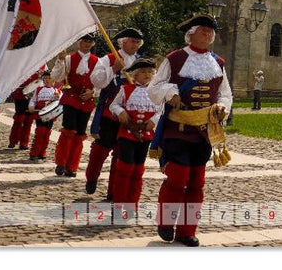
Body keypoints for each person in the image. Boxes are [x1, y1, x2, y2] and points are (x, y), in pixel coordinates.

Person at [148, 14, 231, 247]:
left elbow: (225, 92)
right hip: (178, 130)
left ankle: (187, 230)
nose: (208, 34)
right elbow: (154, 88)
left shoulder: (219, 62)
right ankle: (166, 222)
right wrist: (169, 93)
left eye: (211, 31)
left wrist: (223, 106)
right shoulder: (175, 59)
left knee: (197, 182)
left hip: (204, 132)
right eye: (204, 30)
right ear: (191, 33)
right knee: (177, 178)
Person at [85, 28, 144, 197]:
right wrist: (113, 68)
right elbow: (96, 81)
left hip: (130, 117)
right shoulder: (108, 59)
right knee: (101, 150)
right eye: (133, 41)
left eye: (138, 42)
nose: (136, 44)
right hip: (109, 114)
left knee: (121, 156)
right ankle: (92, 177)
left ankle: (113, 191)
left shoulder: (140, 62)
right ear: (123, 42)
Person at [109, 58, 161, 204]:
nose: (147, 75)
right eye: (143, 72)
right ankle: (119, 201)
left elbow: (161, 110)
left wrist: (154, 121)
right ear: (135, 75)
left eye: (150, 72)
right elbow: (114, 105)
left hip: (145, 134)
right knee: (125, 167)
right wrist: (120, 112)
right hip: (127, 133)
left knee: (138, 170)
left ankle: (132, 203)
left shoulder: (156, 92)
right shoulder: (125, 89)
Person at [51, 33, 99, 177]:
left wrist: (93, 92)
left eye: (90, 42)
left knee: (80, 134)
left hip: (87, 100)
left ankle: (72, 166)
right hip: (71, 98)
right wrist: (60, 60)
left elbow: (101, 81)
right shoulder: (69, 59)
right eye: (85, 41)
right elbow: (56, 77)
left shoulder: (97, 61)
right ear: (79, 43)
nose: (87, 44)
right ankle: (61, 162)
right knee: (68, 131)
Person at [27, 71, 61, 161]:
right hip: (40, 114)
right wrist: (31, 106)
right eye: (45, 78)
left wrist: (58, 97)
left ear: (53, 79)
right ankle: (34, 152)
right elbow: (33, 99)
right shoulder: (38, 89)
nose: (46, 80)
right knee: (40, 132)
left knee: (47, 133)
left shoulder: (56, 90)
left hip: (50, 115)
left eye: (48, 78)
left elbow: (60, 101)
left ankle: (42, 152)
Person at [9, 67, 45, 150]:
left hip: (32, 96)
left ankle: (24, 142)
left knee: (28, 120)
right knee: (19, 119)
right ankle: (13, 140)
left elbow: (43, 81)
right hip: (20, 94)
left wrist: (40, 77)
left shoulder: (43, 64)